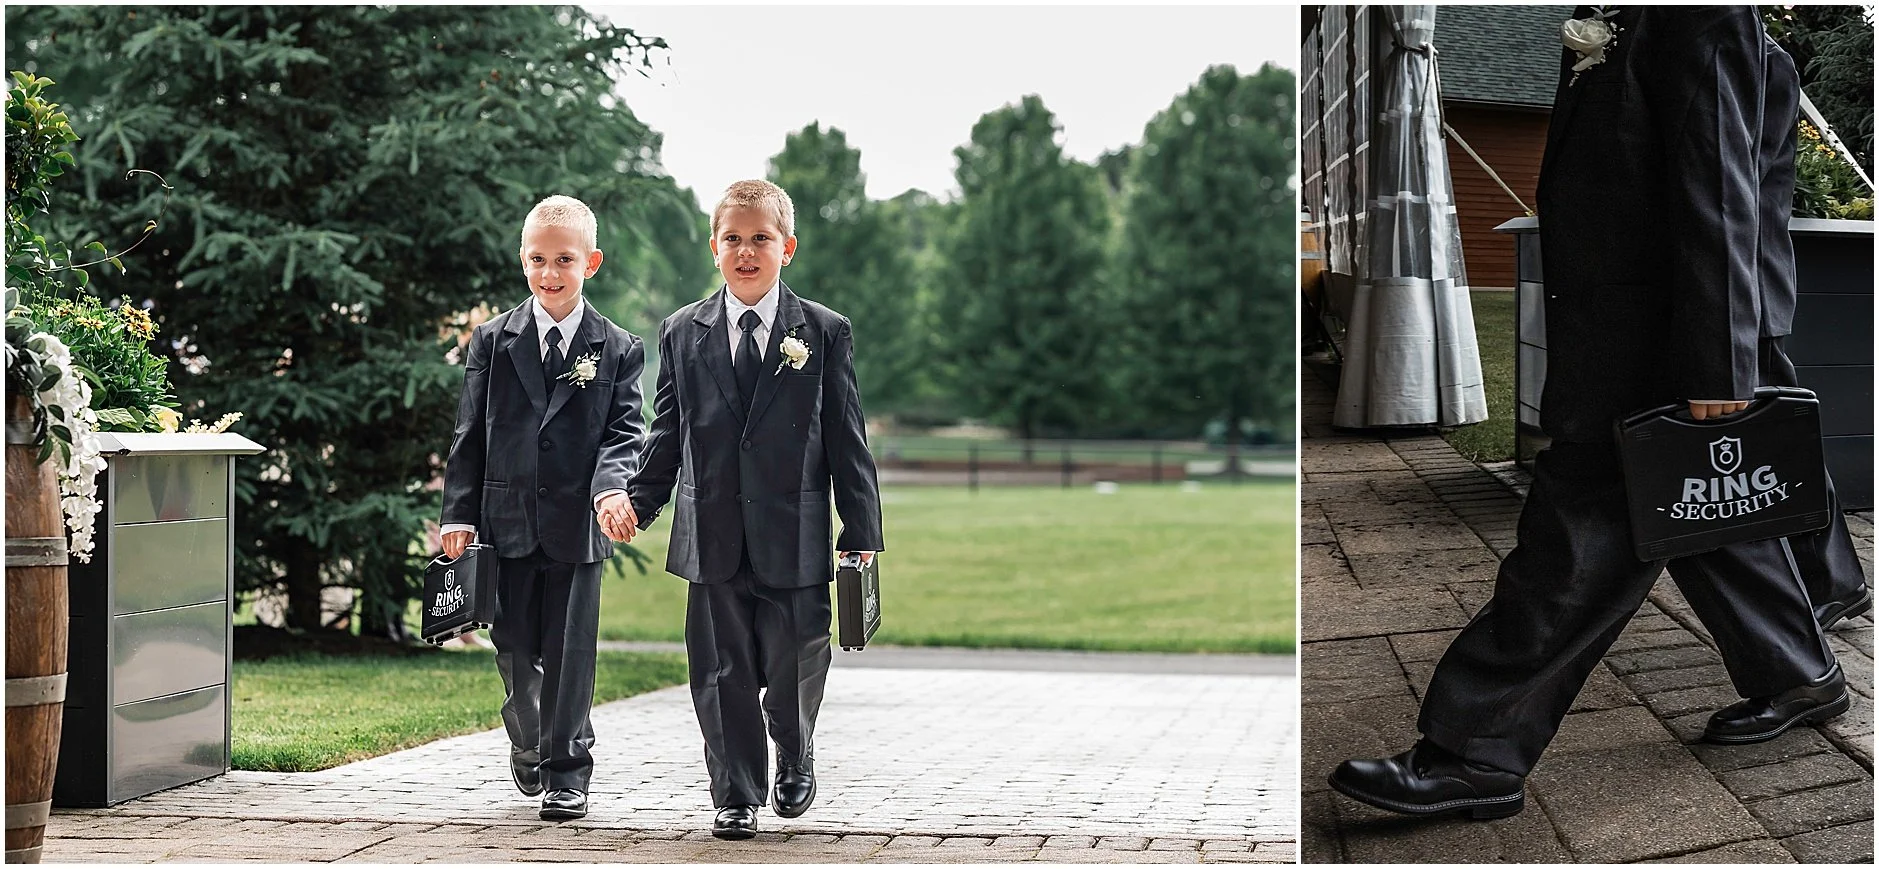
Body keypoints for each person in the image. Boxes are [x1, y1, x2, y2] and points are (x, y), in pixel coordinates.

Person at [1329, 6, 1856, 820]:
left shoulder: (1698, 15)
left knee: (1575, 541)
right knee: (1700, 515)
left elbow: (1719, 181)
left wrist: (1716, 360)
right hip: (1619, 325)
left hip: (1660, 337)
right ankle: (1798, 671)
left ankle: (1474, 750)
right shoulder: (1618, 18)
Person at [628, 179, 884, 840]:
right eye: (733, 239)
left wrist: (861, 532)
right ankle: (734, 791)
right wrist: (637, 503)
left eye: (760, 239)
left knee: (797, 657)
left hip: (793, 534)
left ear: (786, 247)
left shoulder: (823, 332)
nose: (747, 251)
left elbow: (845, 437)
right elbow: (667, 433)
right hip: (709, 533)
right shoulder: (682, 332)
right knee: (720, 673)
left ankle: (794, 751)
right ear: (715, 248)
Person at [439, 195, 647, 822]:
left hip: (578, 527)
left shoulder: (617, 348)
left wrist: (611, 489)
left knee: (570, 652)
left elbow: (624, 434)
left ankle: (567, 770)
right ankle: (528, 734)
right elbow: (469, 432)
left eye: (564, 260)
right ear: (522, 260)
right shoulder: (493, 341)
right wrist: (458, 512)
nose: (550, 273)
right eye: (537, 259)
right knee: (513, 645)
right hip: (505, 524)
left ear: (592, 262)